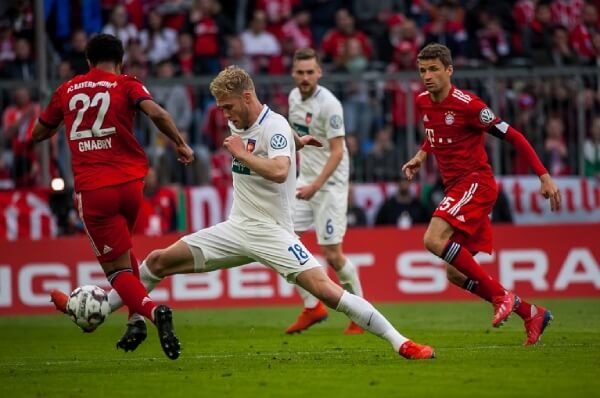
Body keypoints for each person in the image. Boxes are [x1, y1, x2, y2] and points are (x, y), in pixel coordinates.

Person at [106, 65, 435, 360]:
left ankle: (401, 342)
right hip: (237, 228)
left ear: (247, 96)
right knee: (158, 260)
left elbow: (279, 170)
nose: (225, 115)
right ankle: (102, 310)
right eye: (221, 108)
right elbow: (273, 139)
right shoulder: (255, 123)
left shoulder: (273, 126)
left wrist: (246, 152)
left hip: (273, 231)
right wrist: (297, 141)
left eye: (228, 107)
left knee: (326, 290)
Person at [33, 34, 195, 360]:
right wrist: (180, 143)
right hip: (131, 186)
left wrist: (57, 125)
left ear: (88, 61)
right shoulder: (127, 83)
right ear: (120, 61)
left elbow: (38, 133)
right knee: (125, 250)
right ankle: (135, 320)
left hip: (95, 190)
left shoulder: (66, 90)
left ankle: (152, 310)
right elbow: (159, 114)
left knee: (117, 272)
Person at [402, 43, 561, 346]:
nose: (427, 76)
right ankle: (531, 313)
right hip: (457, 187)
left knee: (433, 239)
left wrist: (544, 175)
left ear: (449, 70)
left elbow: (514, 135)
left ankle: (503, 296)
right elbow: (433, 133)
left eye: (434, 69)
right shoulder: (423, 102)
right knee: (454, 273)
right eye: (423, 70)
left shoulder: (470, 105)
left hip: (476, 182)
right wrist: (421, 156)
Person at [285, 48, 366, 335]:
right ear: (293, 74)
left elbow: (337, 151)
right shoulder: (294, 98)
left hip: (328, 185)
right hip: (304, 180)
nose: (305, 77)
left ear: (319, 73)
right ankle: (312, 306)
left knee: (332, 254)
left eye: (310, 72)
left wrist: (315, 185)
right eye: (301, 72)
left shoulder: (330, 105)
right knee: (279, 241)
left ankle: (360, 313)